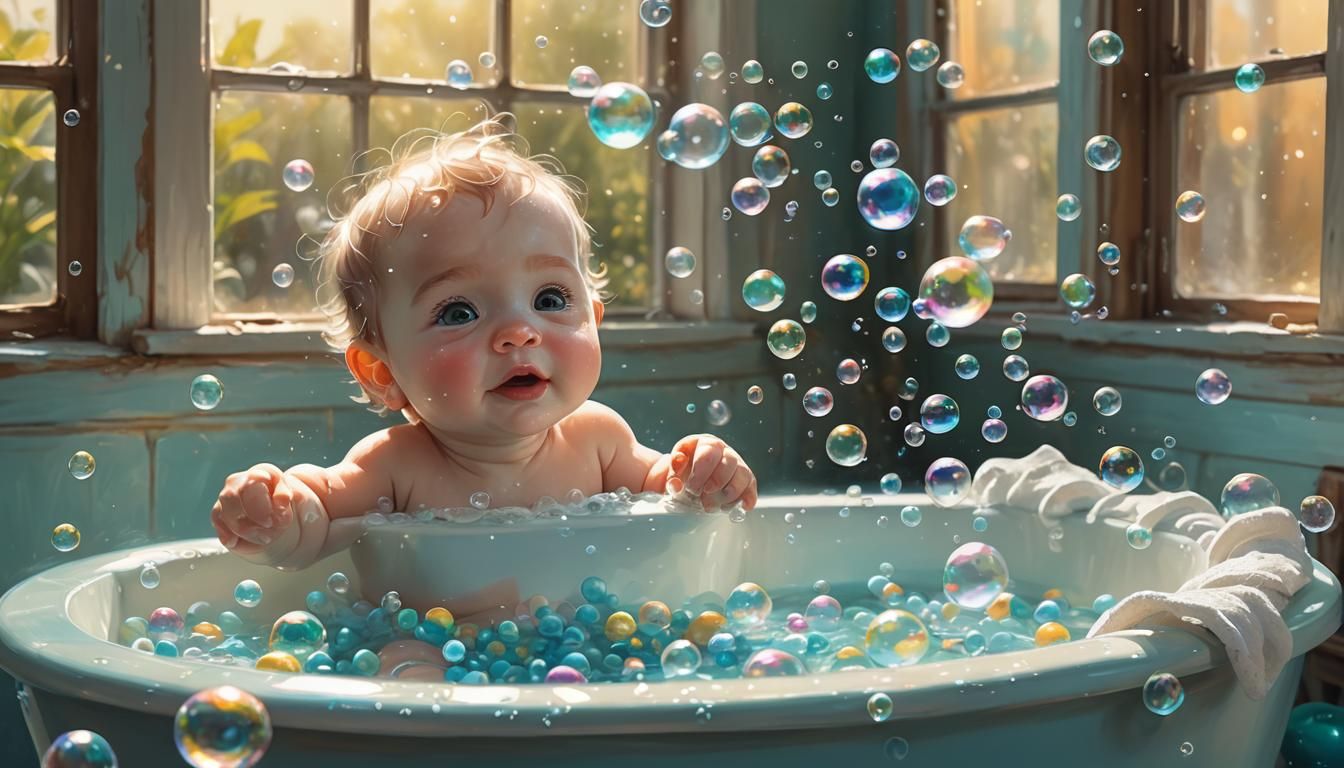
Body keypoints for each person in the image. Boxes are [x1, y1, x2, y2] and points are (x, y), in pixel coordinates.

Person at [210, 111, 757, 586]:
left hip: (584, 648)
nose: (519, 332)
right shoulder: (395, 467)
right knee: (405, 661)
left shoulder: (599, 440)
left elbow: (670, 493)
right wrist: (275, 513)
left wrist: (703, 473)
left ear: (593, 320)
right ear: (380, 372)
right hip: (433, 648)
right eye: (459, 312)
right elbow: (314, 521)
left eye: (550, 297)